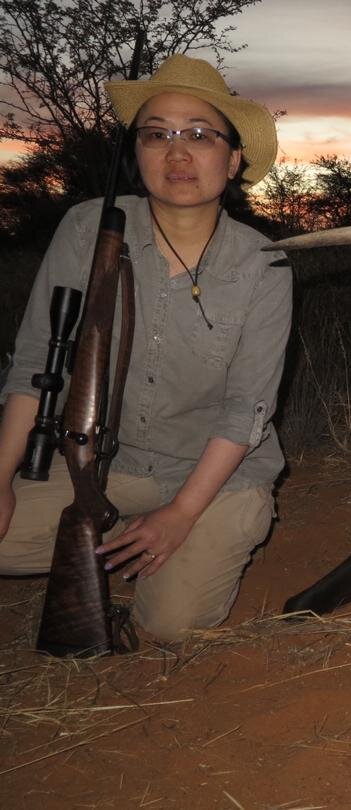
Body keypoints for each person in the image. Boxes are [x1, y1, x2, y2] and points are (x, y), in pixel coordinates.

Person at [0, 54, 291, 642]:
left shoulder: (266, 263)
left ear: (233, 160)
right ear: (137, 154)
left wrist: (180, 517)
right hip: (103, 464)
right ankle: (120, 526)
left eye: (200, 136)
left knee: (171, 625)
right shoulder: (88, 228)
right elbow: (37, 363)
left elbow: (246, 411)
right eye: (156, 135)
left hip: (213, 476)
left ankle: (170, 533)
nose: (177, 153)